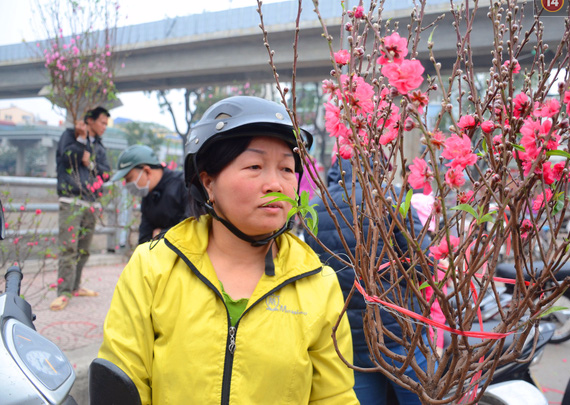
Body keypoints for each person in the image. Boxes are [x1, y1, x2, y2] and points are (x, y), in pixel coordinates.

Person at [97, 96, 357, 404]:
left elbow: (334, 396)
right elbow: (122, 382)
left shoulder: (317, 282)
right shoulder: (152, 267)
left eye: (287, 168)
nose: (275, 183)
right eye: (255, 166)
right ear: (208, 182)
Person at [305, 156, 431, 405]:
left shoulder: (316, 207)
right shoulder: (390, 199)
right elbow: (423, 265)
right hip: (399, 333)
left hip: (350, 340)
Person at [51, 106, 111, 311]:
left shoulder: (100, 146)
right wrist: (80, 140)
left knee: (84, 250)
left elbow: (106, 174)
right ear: (90, 120)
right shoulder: (69, 136)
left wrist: (91, 163)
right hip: (71, 200)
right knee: (68, 248)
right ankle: (64, 292)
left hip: (91, 202)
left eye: (106, 123)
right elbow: (66, 159)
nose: (104, 127)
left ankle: (75, 287)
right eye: (102, 122)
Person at [110, 145, 190, 245]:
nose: (127, 184)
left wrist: (160, 235)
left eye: (129, 178)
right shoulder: (148, 194)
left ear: (147, 171)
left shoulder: (184, 185)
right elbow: (145, 235)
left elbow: (191, 225)